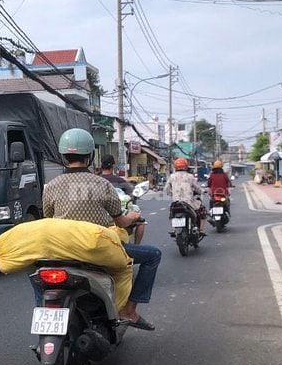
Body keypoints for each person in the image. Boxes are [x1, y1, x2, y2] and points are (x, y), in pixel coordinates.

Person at [42, 128, 160, 331]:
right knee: (153, 256)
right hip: (97, 249)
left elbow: (48, 219)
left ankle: (44, 311)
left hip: (62, 250)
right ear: (89, 156)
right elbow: (121, 222)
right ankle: (129, 311)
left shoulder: (51, 186)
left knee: (39, 276)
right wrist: (132, 217)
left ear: (63, 156)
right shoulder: (102, 184)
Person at [99, 154, 145, 244]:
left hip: (100, 216)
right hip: (118, 216)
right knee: (141, 222)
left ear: (101, 165)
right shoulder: (121, 181)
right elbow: (131, 197)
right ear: (113, 166)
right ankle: (136, 247)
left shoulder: (96, 180)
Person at [164, 157, 207, 236]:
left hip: (176, 202)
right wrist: (203, 191)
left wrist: (172, 194)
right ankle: (200, 230)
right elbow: (197, 188)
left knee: (171, 214)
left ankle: (174, 229)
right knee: (202, 210)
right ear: (186, 166)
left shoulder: (172, 176)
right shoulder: (190, 176)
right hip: (189, 203)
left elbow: (166, 189)